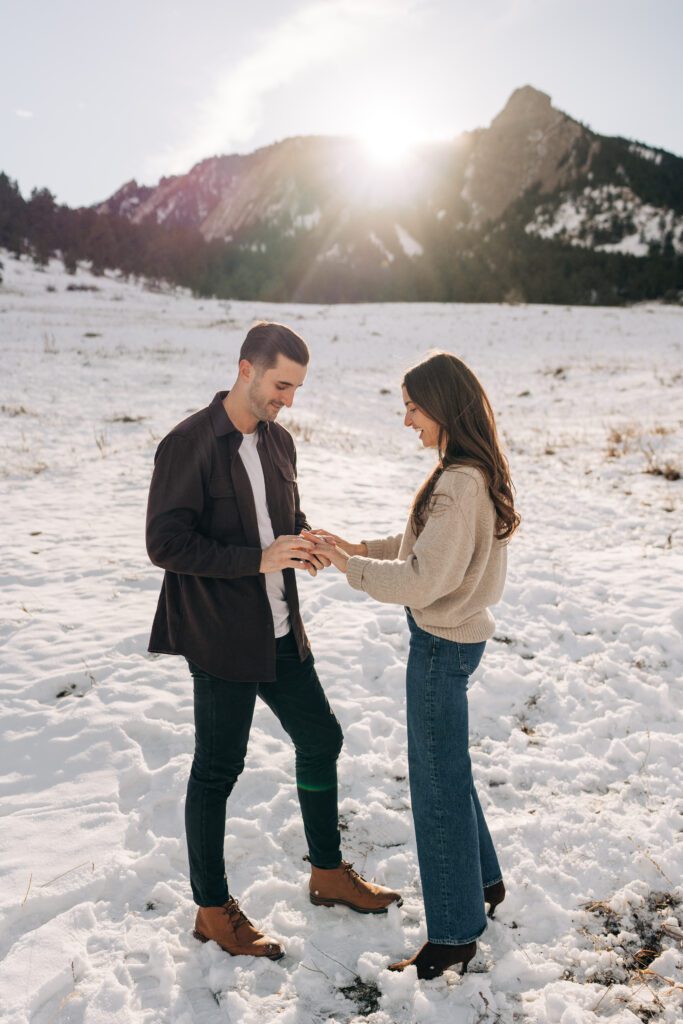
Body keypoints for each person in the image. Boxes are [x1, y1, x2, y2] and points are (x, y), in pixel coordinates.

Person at [145, 321, 401, 962]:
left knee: (321, 738)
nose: (288, 399)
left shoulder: (281, 443)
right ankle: (211, 910)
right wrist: (258, 559)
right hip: (221, 638)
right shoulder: (189, 444)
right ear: (246, 369)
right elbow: (165, 543)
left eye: (296, 388)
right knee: (217, 771)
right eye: (281, 384)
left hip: (281, 629)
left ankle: (326, 873)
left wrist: (306, 540)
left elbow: (282, 521)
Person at [305, 351, 520, 980]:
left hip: (440, 647)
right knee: (448, 771)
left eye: (413, 407)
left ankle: (452, 935)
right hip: (459, 640)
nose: (407, 421)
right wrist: (353, 547)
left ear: (442, 406)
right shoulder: (469, 472)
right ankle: (483, 884)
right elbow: (419, 548)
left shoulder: (458, 482)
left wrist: (349, 570)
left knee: (435, 787)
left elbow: (424, 578)